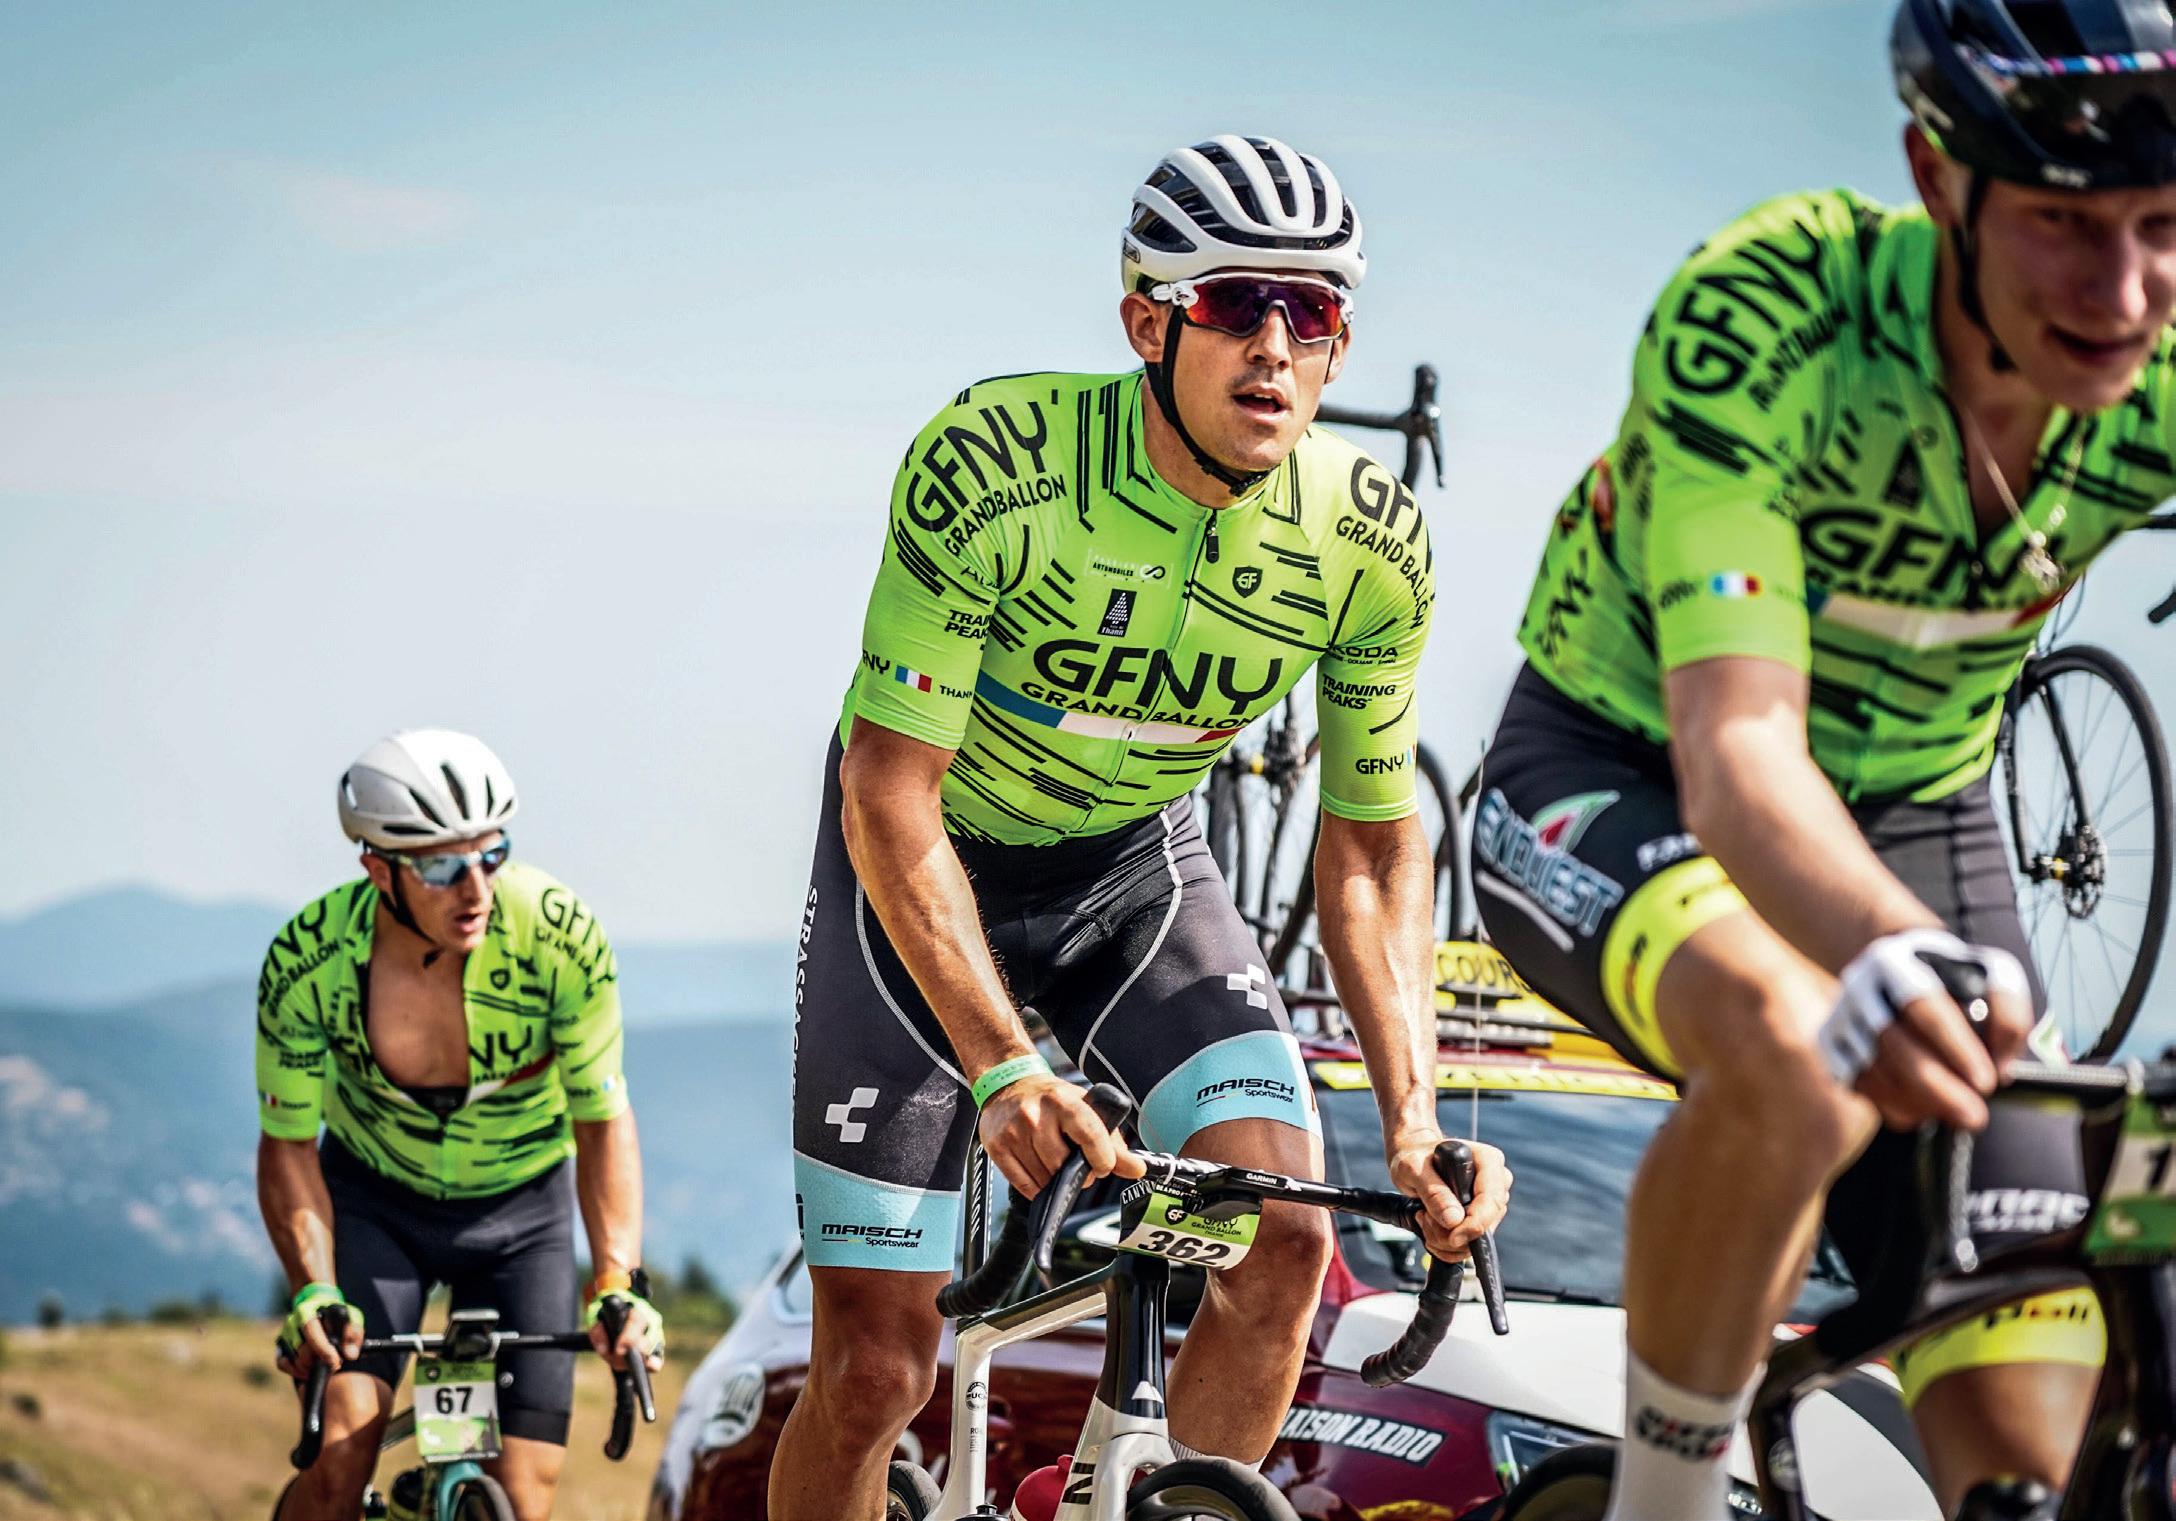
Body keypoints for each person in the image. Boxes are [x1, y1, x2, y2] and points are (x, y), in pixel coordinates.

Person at [1472, 2, 2176, 1517]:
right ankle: (1663, 1505)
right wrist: (1887, 948)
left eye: (2162, 226)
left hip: (1917, 809)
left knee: (2033, 1441)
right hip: (1629, 766)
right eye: (2063, 222)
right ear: (1937, 177)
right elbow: (1738, 747)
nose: (2121, 292)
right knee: (1798, 1056)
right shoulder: (1775, 313)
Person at [770, 134, 1512, 1521]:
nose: (1276, 345)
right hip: (925, 869)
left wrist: (1413, 1121)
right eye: (1235, 303)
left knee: (1283, 1240)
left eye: (1315, 311)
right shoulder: (998, 464)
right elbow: (888, 790)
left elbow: (1368, 848)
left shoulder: (1368, 541)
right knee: (876, 1370)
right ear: (1146, 323)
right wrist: (1004, 1070)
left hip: (1131, 875)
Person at [256, 729, 663, 1521]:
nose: (475, 888)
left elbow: (603, 1120)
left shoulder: (559, 936)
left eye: (491, 854)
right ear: (379, 868)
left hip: (521, 1216)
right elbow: (289, 1145)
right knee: (341, 1456)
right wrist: (313, 1287)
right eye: (442, 867)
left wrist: (617, 1280)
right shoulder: (308, 960)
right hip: (375, 1205)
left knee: (523, 1496)